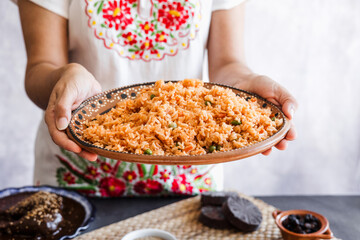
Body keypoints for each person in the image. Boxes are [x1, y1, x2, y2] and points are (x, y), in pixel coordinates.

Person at [17, 0, 297, 197]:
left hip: (192, 170)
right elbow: (41, 66)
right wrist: (64, 77)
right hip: (77, 172)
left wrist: (244, 89)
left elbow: (228, 63)